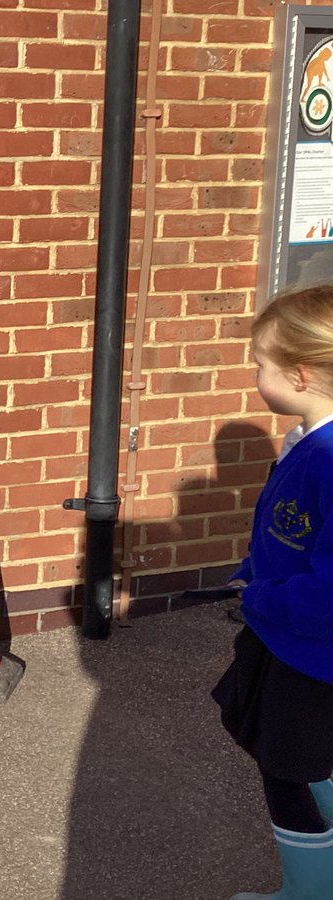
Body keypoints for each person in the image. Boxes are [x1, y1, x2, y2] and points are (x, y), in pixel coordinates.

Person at [212, 285, 333, 900]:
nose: (256, 376)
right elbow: (294, 537)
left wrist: (260, 598)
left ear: (300, 374)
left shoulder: (327, 457)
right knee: (299, 759)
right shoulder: (306, 441)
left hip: (310, 655)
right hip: (291, 640)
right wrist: (254, 568)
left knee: (288, 771)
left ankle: (308, 893)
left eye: (260, 365)